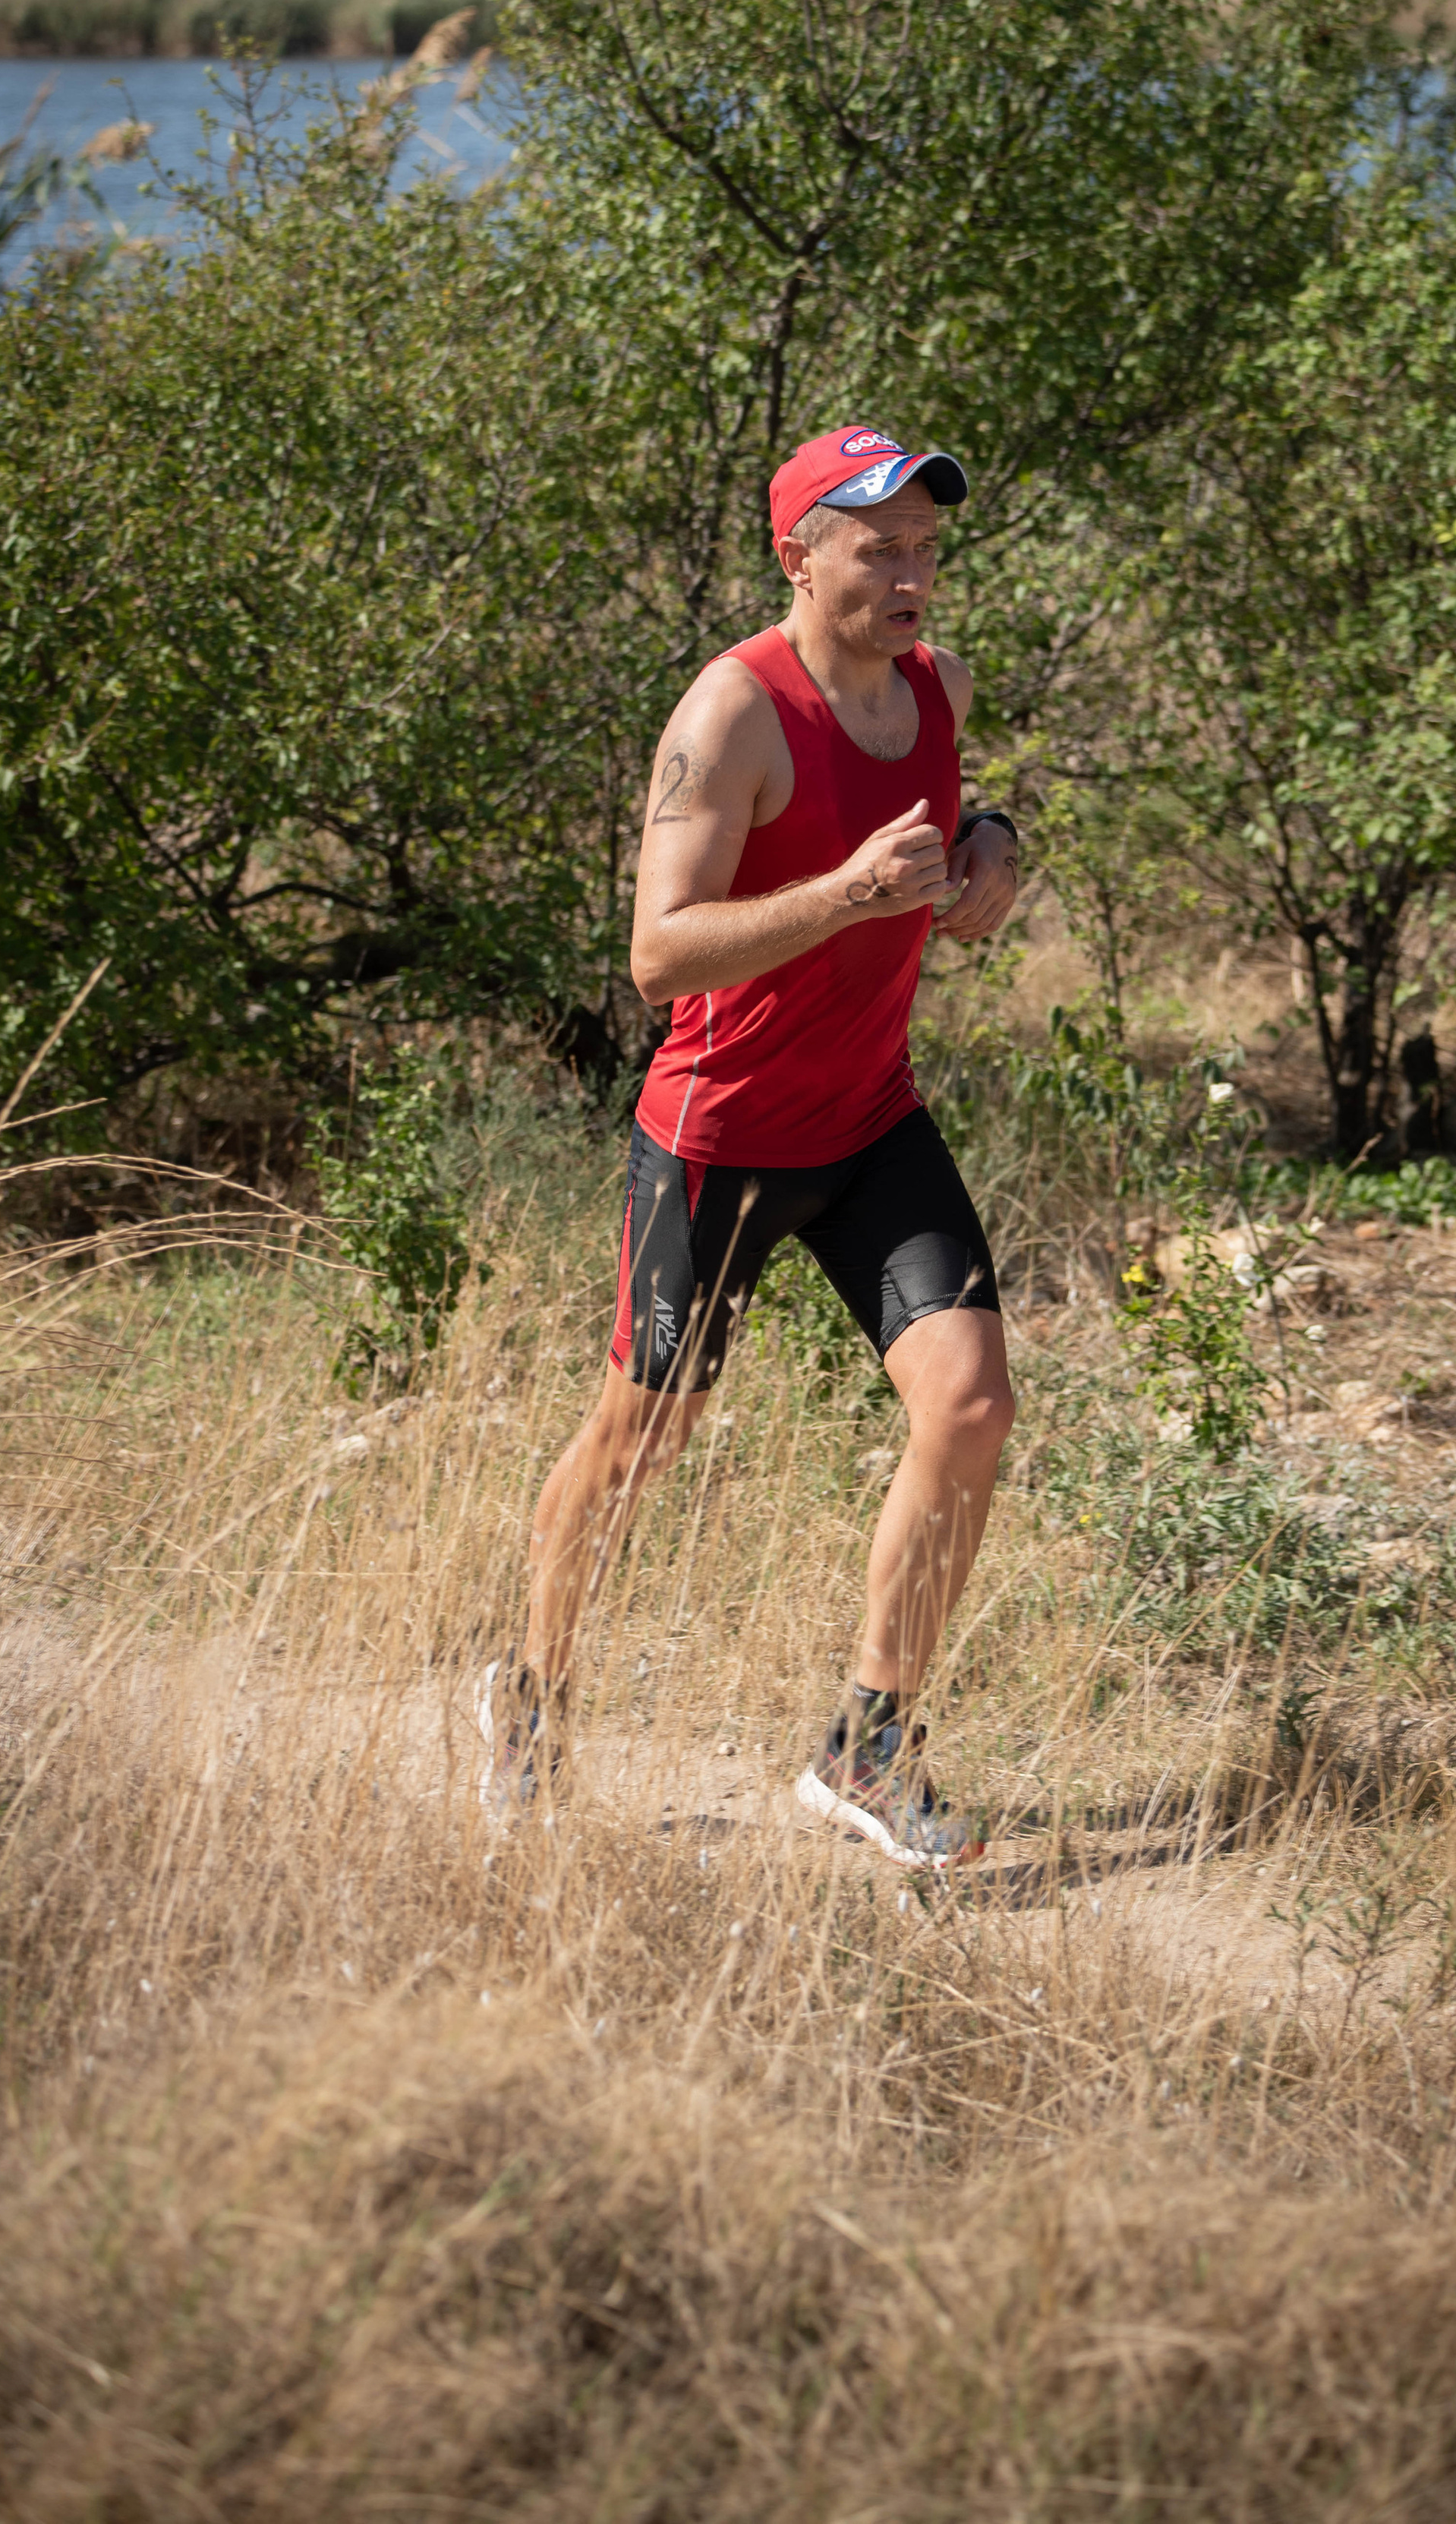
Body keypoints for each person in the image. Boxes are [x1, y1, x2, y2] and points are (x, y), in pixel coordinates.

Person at [477, 427, 1022, 1865]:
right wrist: (845, 894)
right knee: (643, 1438)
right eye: (879, 547)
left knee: (969, 1405)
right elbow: (660, 954)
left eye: (925, 545)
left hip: (872, 1119)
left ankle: (867, 1747)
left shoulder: (940, 688)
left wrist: (997, 843)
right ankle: (530, 1697)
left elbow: (957, 811)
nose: (914, 575)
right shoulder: (732, 717)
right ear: (801, 555)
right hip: (718, 1140)